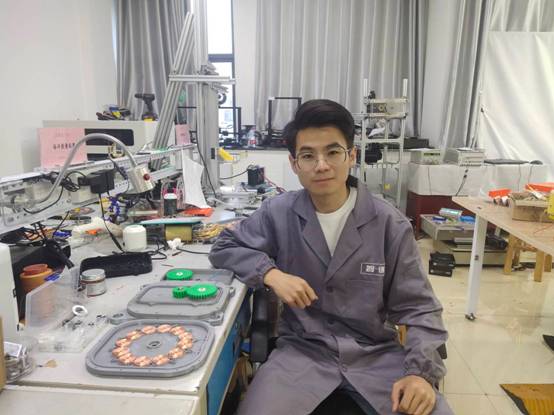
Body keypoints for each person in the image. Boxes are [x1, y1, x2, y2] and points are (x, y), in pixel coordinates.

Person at [209, 99, 453, 415]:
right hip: (301, 355)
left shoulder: (389, 224)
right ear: (294, 164)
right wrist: (271, 274)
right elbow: (224, 246)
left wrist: (420, 374)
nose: (321, 165)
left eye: (333, 152)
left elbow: (420, 308)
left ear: (352, 156)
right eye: (308, 155)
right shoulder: (278, 213)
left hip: (376, 356)